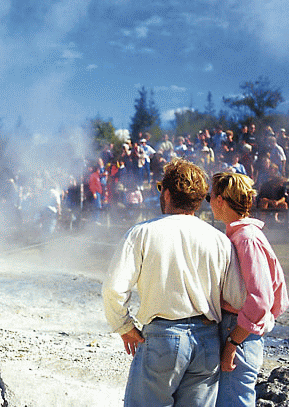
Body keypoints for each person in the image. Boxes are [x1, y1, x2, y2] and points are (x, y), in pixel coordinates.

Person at [102, 159, 245, 407]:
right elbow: (237, 298)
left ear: (166, 193)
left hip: (162, 337)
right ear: (199, 200)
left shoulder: (142, 233)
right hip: (207, 340)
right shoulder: (220, 240)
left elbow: (113, 289)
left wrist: (124, 326)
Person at [208, 172, 289, 407]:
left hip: (239, 329)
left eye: (209, 197)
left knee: (235, 401)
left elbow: (261, 299)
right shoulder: (244, 235)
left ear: (221, 200)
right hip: (240, 328)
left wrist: (233, 343)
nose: (209, 202)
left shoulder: (245, 238)